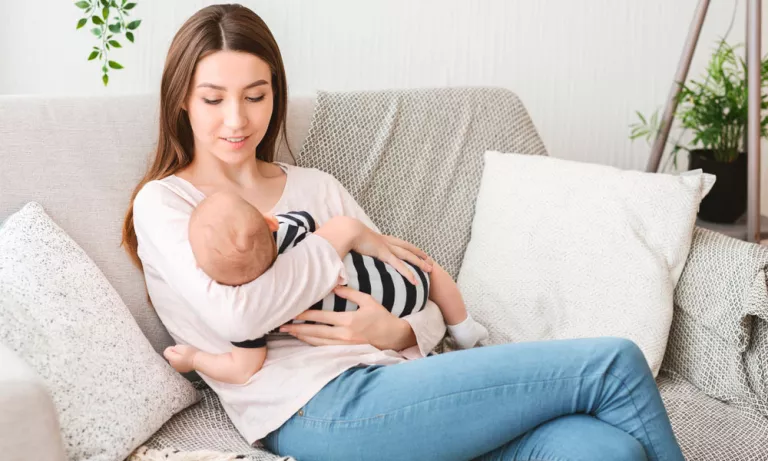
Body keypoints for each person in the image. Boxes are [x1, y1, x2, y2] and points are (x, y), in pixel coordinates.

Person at [121, 4, 685, 460]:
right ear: (181, 102)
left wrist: (392, 333)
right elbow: (236, 317)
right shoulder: (167, 202)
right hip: (317, 408)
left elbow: (414, 288)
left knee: (605, 450)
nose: (237, 120)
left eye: (255, 96)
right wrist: (335, 238)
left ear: (276, 94)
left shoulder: (317, 188)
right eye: (214, 99)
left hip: (408, 387)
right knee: (613, 363)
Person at [163, 190, 488, 384]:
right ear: (270, 222)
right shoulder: (290, 227)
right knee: (432, 270)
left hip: (392, 326)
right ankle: (465, 329)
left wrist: (194, 359)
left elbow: (243, 368)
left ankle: (449, 343)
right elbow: (322, 227)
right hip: (406, 277)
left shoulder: (256, 308)